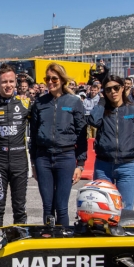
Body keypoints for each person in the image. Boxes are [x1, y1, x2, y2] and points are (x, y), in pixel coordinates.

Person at [29, 63, 87, 226]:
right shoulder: (39, 103)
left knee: (61, 207)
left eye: (54, 78)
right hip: (43, 158)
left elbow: (82, 134)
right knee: (48, 207)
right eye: (47, 78)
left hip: (65, 157)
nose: (50, 81)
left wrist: (80, 164)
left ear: (62, 80)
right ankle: (48, 241)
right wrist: (33, 162)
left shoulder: (74, 102)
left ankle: (64, 243)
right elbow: (33, 135)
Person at [88, 75, 134, 210]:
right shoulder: (102, 110)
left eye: (116, 88)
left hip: (127, 165)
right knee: (102, 209)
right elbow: (93, 121)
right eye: (108, 89)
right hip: (103, 165)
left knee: (126, 209)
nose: (113, 92)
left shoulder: (133, 110)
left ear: (122, 88)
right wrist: (102, 103)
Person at [0, 64, 31, 226]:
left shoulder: (25, 104)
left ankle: (20, 242)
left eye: (11, 81)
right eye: (4, 82)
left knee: (19, 207)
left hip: (19, 161)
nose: (8, 85)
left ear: (16, 82)